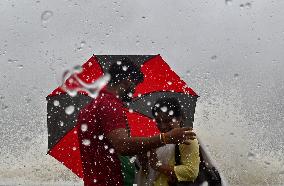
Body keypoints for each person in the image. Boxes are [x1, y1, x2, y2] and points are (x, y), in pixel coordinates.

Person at [76, 57, 196, 186]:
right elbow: (122, 145)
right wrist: (165, 138)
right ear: (128, 80)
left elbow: (110, 149)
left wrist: (139, 150)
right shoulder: (109, 105)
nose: (133, 92)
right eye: (134, 85)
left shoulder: (90, 107)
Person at [137, 97, 200, 186]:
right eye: (158, 121)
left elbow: (191, 172)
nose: (162, 126)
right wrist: (144, 161)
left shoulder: (186, 138)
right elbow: (149, 174)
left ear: (179, 118)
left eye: (167, 120)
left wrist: (158, 166)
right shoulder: (158, 141)